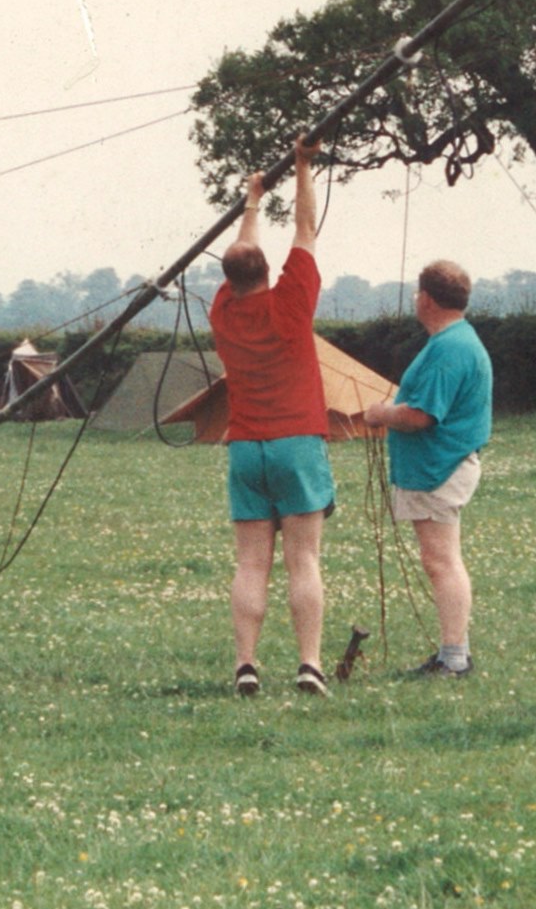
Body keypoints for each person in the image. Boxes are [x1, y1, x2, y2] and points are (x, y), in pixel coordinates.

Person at [206, 137, 332, 697]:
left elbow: (243, 254)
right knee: (303, 560)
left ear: (229, 282)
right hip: (297, 443)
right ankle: (309, 664)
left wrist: (252, 201)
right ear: (267, 271)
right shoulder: (291, 302)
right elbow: (305, 228)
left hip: (245, 448)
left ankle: (246, 664)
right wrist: (303, 165)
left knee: (251, 565)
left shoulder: (224, 312)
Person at [364, 260, 492, 678]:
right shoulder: (453, 341)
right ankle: (453, 653)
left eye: (419, 292)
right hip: (437, 466)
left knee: (442, 562)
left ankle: (454, 658)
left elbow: (421, 416)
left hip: (440, 467)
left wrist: (381, 414)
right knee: (440, 559)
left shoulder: (450, 348)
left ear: (427, 300)